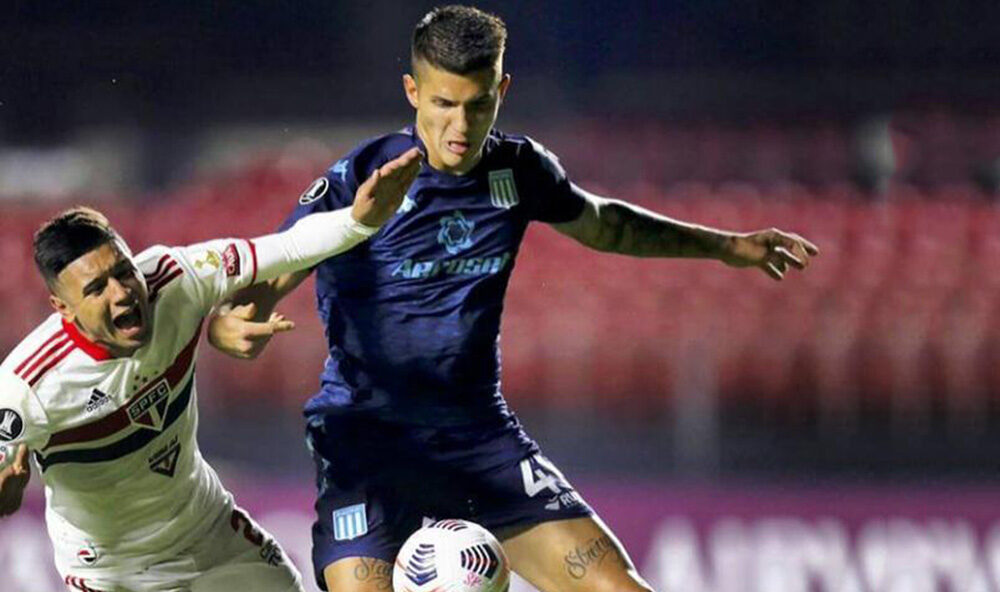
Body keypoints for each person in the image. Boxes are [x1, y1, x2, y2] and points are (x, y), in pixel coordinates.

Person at [208, 6, 819, 592]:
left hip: (478, 437)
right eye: (443, 104)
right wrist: (231, 322)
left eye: (478, 105)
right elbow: (276, 265)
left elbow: (605, 224)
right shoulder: (363, 177)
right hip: (367, 441)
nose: (460, 126)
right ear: (413, 92)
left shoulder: (520, 169)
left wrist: (726, 246)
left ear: (502, 90)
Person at [0, 147, 422, 592]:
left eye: (123, 271)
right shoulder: (27, 387)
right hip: (114, 573)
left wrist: (358, 221)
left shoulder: (175, 279)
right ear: (63, 307)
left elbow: (285, 248)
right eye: (96, 288)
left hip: (209, 532)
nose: (121, 293)